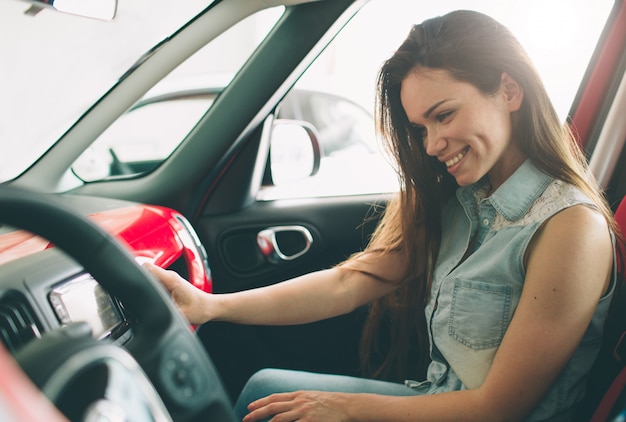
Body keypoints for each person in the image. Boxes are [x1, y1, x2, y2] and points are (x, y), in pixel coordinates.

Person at [145, 9, 619, 421]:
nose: (432, 146)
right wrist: (210, 307)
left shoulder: (570, 228)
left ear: (509, 90)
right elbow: (347, 283)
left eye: (445, 115)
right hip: (440, 401)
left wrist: (343, 408)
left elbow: (497, 409)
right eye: (421, 128)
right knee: (264, 392)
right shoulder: (462, 202)